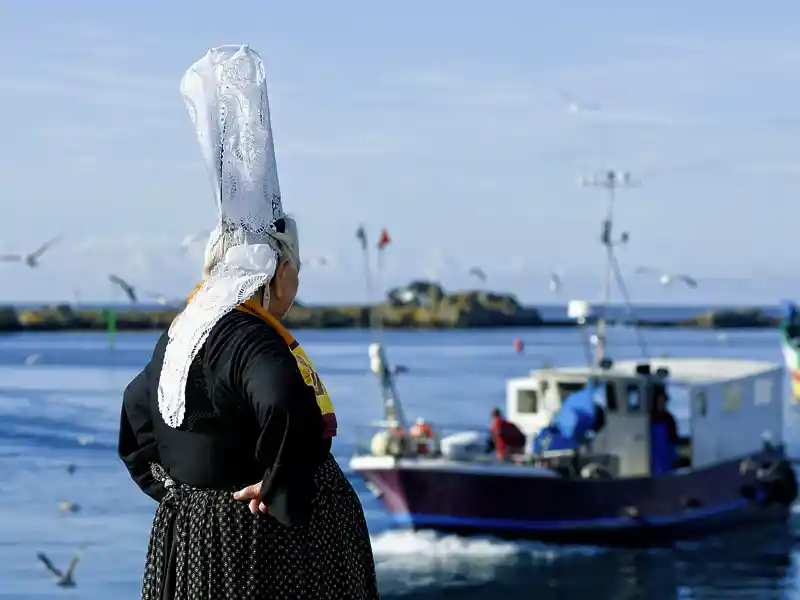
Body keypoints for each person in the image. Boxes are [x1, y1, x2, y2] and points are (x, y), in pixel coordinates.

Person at [117, 45, 379, 599]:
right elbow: (286, 402)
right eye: (296, 270)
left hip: (194, 538)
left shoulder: (185, 331)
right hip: (259, 546)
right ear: (277, 268)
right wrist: (280, 485)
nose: (297, 285)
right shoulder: (248, 337)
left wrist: (178, 490)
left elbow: (137, 409)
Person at [649, 385, 679, 475]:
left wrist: (674, 457)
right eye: (659, 401)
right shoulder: (649, 418)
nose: (661, 404)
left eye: (663, 401)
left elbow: (674, 439)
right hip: (653, 456)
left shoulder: (670, 419)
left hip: (666, 457)